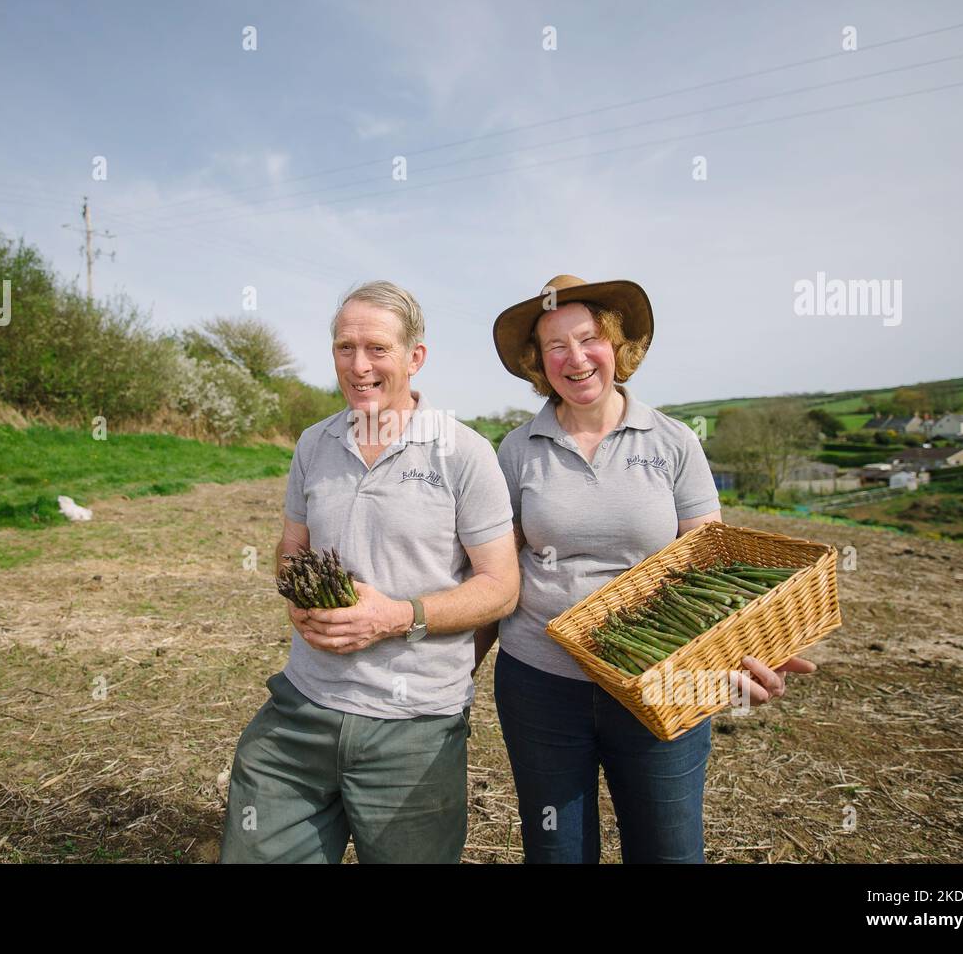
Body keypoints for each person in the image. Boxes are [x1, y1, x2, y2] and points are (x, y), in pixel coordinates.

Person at [474, 274, 817, 864]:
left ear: (618, 345)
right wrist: (456, 673)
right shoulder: (516, 450)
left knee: (670, 849)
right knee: (557, 851)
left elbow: (712, 563)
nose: (575, 358)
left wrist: (750, 648)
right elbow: (498, 573)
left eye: (589, 339)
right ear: (539, 362)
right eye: (556, 346)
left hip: (664, 682)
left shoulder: (674, 441)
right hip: (541, 682)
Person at [220, 280, 519, 863]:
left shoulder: (464, 453)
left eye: (377, 349)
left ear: (415, 357)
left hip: (413, 727)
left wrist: (396, 617)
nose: (359, 366)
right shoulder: (314, 443)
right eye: (343, 348)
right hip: (302, 708)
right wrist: (298, 596)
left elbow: (501, 587)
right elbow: (291, 545)